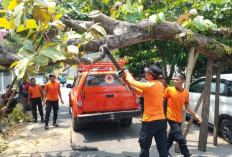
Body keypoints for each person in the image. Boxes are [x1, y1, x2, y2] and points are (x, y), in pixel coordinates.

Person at [123, 65, 168, 157]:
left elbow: (133, 82)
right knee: (162, 147)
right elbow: (143, 92)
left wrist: (127, 73)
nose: (145, 74)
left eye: (147, 72)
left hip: (150, 122)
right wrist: (130, 85)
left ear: (151, 75)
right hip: (161, 121)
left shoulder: (149, 85)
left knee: (145, 147)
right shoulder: (159, 85)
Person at [163, 73, 202, 157]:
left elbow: (187, 106)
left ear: (183, 81)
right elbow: (162, 101)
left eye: (177, 80)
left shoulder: (186, 93)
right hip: (170, 117)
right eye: (174, 80)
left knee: (171, 138)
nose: (175, 81)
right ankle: (186, 154)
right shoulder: (169, 90)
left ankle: (164, 152)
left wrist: (196, 115)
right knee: (181, 139)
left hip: (179, 119)